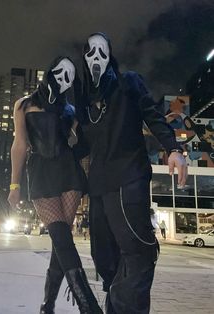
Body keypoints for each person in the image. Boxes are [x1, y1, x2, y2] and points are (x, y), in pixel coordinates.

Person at [75, 32, 187, 314]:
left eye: (102, 51)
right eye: (90, 52)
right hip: (99, 185)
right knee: (104, 257)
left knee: (137, 250)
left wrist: (173, 148)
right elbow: (85, 146)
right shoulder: (86, 102)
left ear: (110, 55)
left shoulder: (128, 82)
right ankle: (116, 305)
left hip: (128, 177)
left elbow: (152, 114)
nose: (96, 57)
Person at [8, 56, 103, 314]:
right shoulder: (24, 105)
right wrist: (14, 185)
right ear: (51, 72)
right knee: (61, 238)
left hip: (69, 174)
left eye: (69, 76)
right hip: (40, 175)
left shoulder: (69, 110)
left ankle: (51, 306)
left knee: (61, 242)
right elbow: (19, 145)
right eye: (61, 72)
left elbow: (83, 142)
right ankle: (86, 306)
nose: (64, 79)